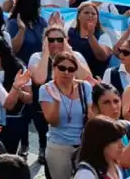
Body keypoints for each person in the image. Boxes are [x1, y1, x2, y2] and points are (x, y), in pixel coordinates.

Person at [39, 51, 94, 179]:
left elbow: (91, 116)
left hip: (83, 145)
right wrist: (57, 102)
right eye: (62, 68)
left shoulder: (84, 87)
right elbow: (53, 121)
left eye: (71, 69)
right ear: (54, 68)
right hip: (59, 146)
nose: (66, 72)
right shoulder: (46, 89)